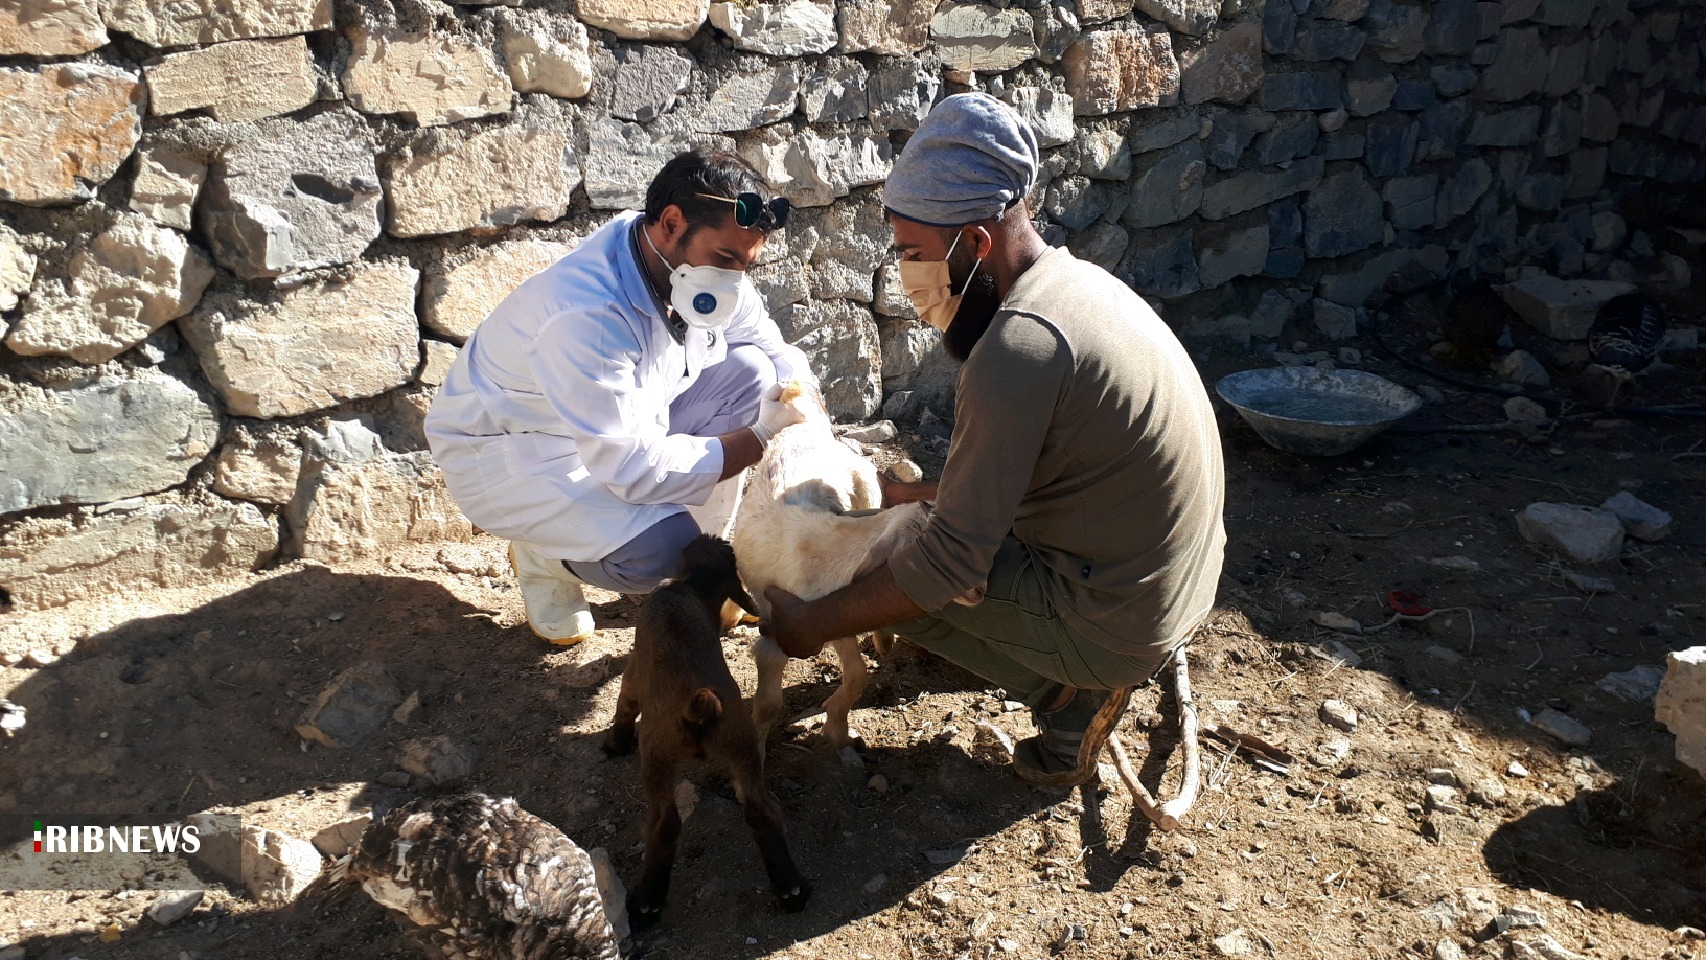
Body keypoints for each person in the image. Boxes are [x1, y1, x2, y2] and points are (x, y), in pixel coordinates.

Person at [759, 94, 1228, 780]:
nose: (909, 277)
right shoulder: (1075, 285)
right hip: (1176, 585)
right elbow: (1034, 475)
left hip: (1122, 625)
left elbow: (948, 563)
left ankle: (1067, 696)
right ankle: (1065, 667)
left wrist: (813, 622)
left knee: (876, 563)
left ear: (976, 243)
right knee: (907, 519)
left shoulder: (1017, 348)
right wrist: (907, 489)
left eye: (915, 253)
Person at [425, 150, 812, 645]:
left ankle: (701, 571)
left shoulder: (678, 260)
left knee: (753, 374)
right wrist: (760, 439)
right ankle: (545, 556)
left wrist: (807, 409)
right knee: (665, 552)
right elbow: (633, 467)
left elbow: (774, 350)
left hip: (614, 428)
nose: (734, 277)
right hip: (517, 458)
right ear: (672, 223)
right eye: (725, 259)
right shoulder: (588, 313)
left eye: (745, 264)